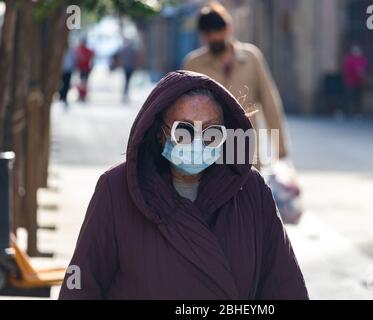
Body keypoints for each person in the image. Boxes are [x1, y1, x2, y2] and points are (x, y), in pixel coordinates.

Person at [58, 70, 308, 300]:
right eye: (184, 131)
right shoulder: (117, 189)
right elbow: (82, 285)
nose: (197, 143)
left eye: (211, 133)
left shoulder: (251, 190)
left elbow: (284, 285)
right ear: (160, 132)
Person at [183, 2, 289, 168]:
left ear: (229, 28)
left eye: (218, 31)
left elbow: (270, 102)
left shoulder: (251, 58)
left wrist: (280, 149)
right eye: (209, 33)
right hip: (208, 150)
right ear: (202, 35)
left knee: (249, 192)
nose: (215, 37)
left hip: (246, 146)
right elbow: (183, 110)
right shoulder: (193, 65)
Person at [342, 44, 368, 116]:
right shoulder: (349, 59)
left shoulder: (362, 59)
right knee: (350, 98)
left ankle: (358, 112)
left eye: (358, 50)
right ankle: (349, 112)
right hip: (350, 82)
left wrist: (362, 74)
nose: (357, 52)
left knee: (358, 98)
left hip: (359, 82)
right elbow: (348, 70)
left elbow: (364, 69)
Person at [118, 38, 138, 103]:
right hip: (130, 67)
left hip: (126, 67)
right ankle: (126, 93)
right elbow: (135, 58)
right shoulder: (131, 50)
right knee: (128, 81)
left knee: (126, 80)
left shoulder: (124, 49)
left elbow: (120, 58)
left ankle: (125, 93)